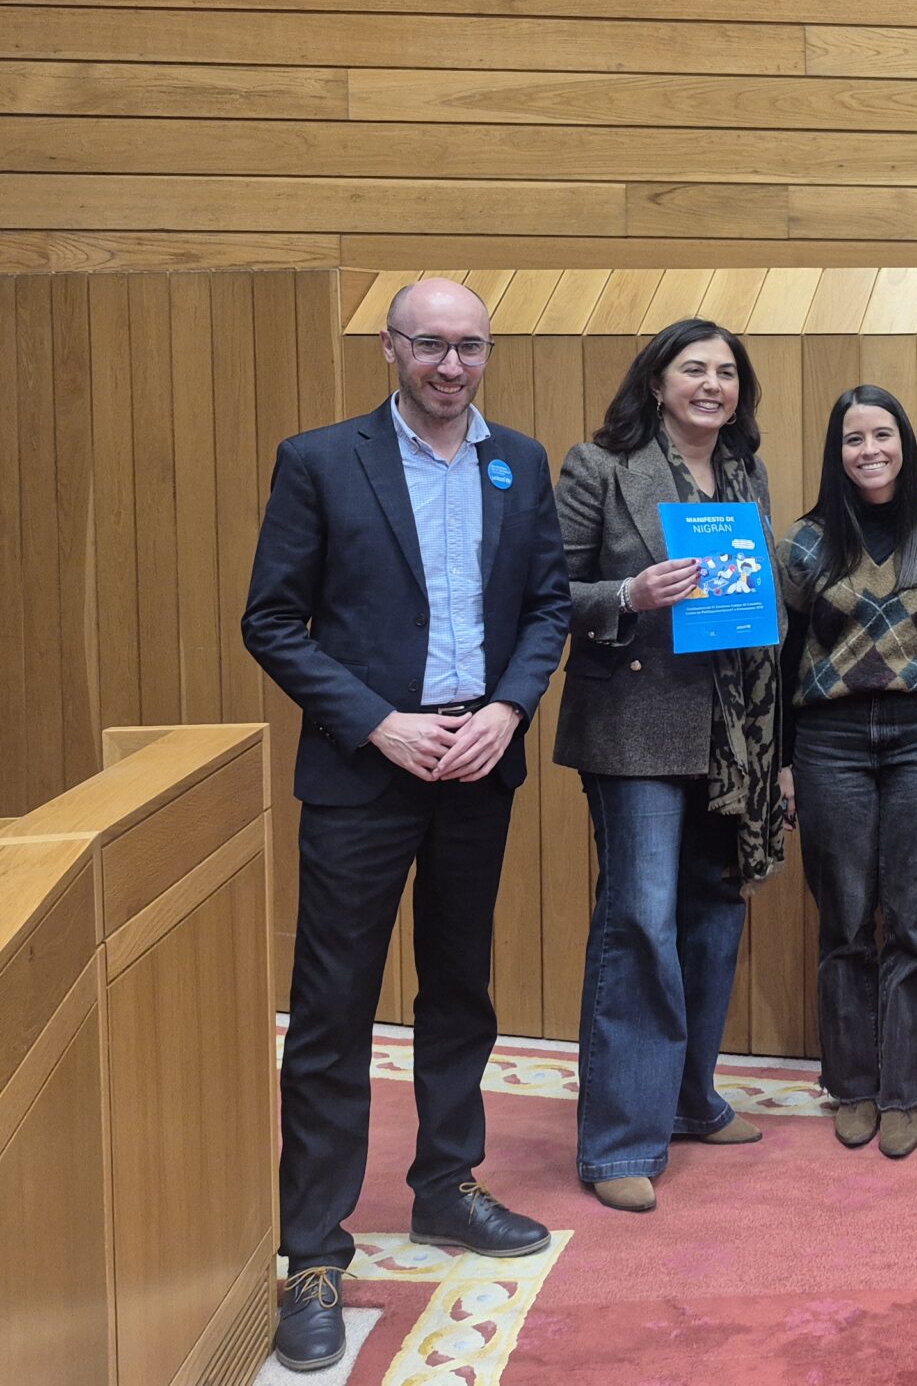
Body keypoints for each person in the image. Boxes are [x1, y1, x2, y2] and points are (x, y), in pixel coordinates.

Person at [242, 277, 570, 1373]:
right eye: (430, 345)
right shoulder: (321, 460)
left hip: (478, 764)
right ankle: (313, 1252)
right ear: (391, 348)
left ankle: (445, 1186)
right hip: (365, 769)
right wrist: (377, 724)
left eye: (469, 347)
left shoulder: (517, 460)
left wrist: (509, 709)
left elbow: (547, 608)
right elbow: (272, 621)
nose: (450, 366)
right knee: (332, 1011)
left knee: (461, 986)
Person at [554, 318, 785, 1214]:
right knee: (640, 922)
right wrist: (627, 594)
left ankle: (691, 1098)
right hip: (636, 731)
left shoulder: (746, 473)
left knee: (714, 917)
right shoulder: (598, 468)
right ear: (656, 383)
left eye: (727, 373)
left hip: (732, 730)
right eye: (695, 370)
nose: (712, 385)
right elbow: (547, 593)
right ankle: (619, 1139)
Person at [779, 384, 917, 1159]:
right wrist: (784, 761)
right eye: (855, 439)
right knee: (846, 914)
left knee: (915, 915)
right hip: (829, 740)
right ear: (838, 450)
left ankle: (907, 1089)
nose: (870, 451)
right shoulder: (804, 539)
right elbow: (781, 656)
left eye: (882, 435)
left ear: (904, 441)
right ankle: (854, 1085)